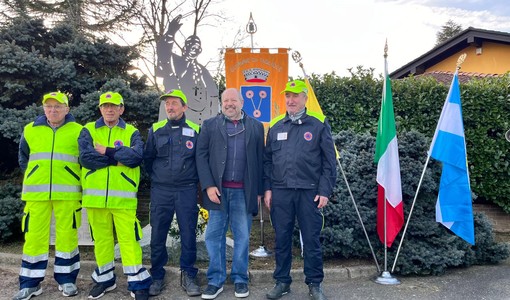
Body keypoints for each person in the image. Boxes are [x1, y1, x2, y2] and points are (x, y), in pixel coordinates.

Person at [263, 80, 337, 300]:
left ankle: (315, 284)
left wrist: (324, 191)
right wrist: (267, 189)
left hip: (309, 193)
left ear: (305, 98)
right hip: (281, 192)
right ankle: (282, 282)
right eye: (288, 96)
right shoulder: (276, 125)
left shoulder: (318, 124)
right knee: (282, 239)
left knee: (311, 240)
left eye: (295, 96)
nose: (291, 100)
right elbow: (267, 161)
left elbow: (329, 162)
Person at [78, 91, 152, 300]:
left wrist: (106, 150)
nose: (109, 109)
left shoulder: (131, 131)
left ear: (121, 109)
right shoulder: (88, 130)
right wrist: (117, 158)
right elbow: (86, 158)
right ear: (100, 109)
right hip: (95, 199)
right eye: (105, 106)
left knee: (129, 240)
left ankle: (137, 283)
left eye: (114, 106)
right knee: (101, 240)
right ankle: (105, 280)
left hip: (124, 199)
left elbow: (136, 157)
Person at [196, 88, 264, 299]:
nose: (229, 104)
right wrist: (208, 186)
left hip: (244, 192)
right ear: (221, 103)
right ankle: (215, 280)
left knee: (242, 237)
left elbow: (261, 160)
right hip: (217, 192)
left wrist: (259, 191)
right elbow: (201, 156)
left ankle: (240, 279)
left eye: (233, 100)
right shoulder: (209, 125)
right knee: (214, 237)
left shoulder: (255, 126)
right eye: (226, 100)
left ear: (242, 102)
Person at [14, 91, 82, 300]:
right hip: (37, 194)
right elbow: (24, 158)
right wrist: (35, 175)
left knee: (67, 238)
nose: (53, 110)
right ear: (43, 109)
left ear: (67, 109)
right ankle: (30, 284)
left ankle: (67, 280)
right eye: (49, 106)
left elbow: (84, 161)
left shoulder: (79, 131)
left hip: (68, 194)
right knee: (34, 238)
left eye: (58, 106)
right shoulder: (30, 130)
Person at [143, 89, 201, 297]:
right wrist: (161, 177)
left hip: (186, 190)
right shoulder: (156, 129)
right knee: (158, 234)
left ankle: (188, 274)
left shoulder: (195, 130)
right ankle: (157, 275)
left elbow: (199, 160)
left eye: (174, 103)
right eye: (167, 103)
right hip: (162, 190)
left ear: (184, 107)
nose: (170, 107)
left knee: (188, 233)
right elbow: (148, 159)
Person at [156, 14, 218, 124]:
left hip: (199, 115)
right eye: (191, 46)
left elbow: (213, 94)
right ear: (185, 48)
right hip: (176, 113)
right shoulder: (174, 61)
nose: (194, 50)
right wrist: (170, 33)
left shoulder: (203, 71)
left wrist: (212, 117)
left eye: (197, 48)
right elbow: (163, 53)